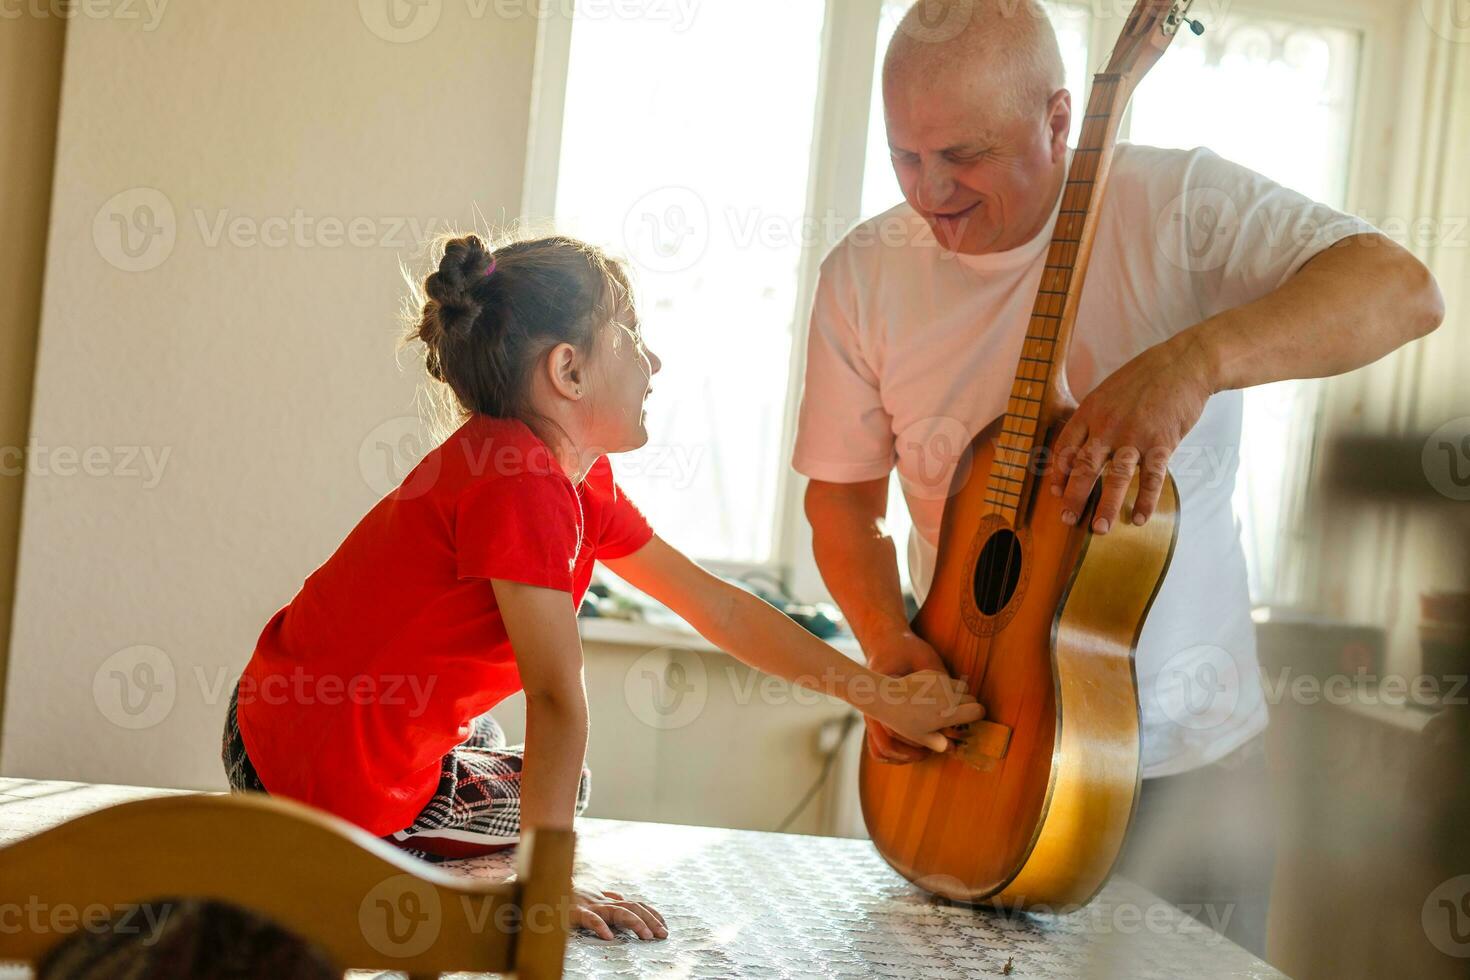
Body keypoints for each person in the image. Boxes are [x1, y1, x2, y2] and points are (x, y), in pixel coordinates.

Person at [792, 0, 1444, 958]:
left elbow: (1404, 289)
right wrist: (890, 650)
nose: (929, 193)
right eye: (905, 156)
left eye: (962, 155)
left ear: (1061, 119)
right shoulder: (863, 275)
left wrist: (1197, 360)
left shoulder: (1182, 204)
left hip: (1188, 781)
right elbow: (842, 500)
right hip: (969, 759)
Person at [222, 233, 984, 942]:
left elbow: (714, 604)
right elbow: (556, 699)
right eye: (631, 334)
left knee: (503, 756)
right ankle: (394, 848)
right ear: (569, 370)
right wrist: (545, 890)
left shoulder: (557, 474)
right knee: (564, 790)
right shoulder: (522, 485)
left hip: (271, 717)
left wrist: (873, 693)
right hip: (318, 793)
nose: (656, 362)